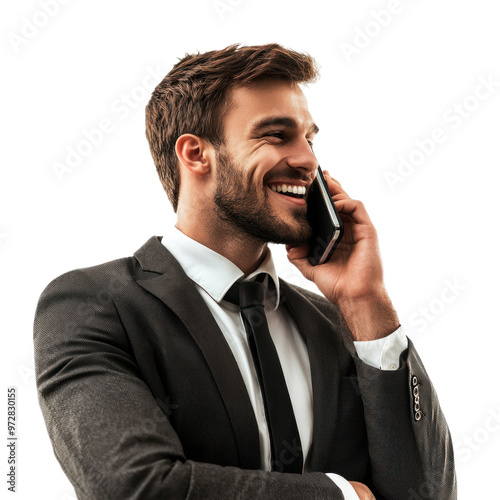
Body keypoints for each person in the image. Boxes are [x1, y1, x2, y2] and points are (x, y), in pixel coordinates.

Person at [34, 43, 457, 500]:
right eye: (277, 135)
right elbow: (135, 487)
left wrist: (366, 303)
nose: (308, 160)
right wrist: (341, 496)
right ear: (196, 154)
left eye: (309, 139)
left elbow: (426, 494)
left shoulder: (340, 324)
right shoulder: (93, 305)